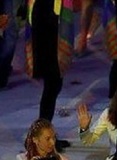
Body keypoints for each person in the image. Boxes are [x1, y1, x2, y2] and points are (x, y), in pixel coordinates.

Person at [24, 0, 74, 150]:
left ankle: (44, 136)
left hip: (49, 18)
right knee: (52, 84)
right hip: (47, 22)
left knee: (52, 85)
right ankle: (41, 138)